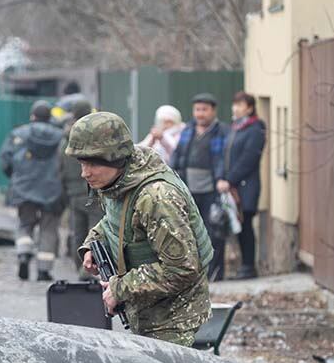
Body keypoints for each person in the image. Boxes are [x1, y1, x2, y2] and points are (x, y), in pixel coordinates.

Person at [68, 111, 212, 345]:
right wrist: (92, 244)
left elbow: (182, 269)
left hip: (174, 321)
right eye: (82, 163)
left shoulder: (156, 198)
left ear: (114, 157)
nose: (85, 173)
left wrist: (120, 289)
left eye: (93, 163)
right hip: (147, 313)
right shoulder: (120, 182)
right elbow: (116, 221)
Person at [0, 100, 64, 281]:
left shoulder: (18, 134)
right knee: (48, 229)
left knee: (25, 224)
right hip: (52, 189)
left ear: (32, 116)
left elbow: (5, 160)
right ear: (49, 117)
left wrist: (15, 177)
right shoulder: (60, 137)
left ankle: (23, 253)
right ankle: (43, 270)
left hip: (24, 187)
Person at [171, 93, 229, 281]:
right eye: (197, 109)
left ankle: (215, 272)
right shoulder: (188, 130)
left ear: (213, 111)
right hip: (189, 189)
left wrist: (222, 178)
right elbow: (177, 156)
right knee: (190, 231)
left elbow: (224, 160)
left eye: (204, 110)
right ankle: (195, 271)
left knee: (214, 231)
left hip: (212, 190)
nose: (200, 114)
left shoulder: (222, 132)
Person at [222, 91, 267, 280]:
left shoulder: (255, 128)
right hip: (232, 186)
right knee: (238, 227)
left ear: (249, 108)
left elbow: (249, 158)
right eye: (235, 104)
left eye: (240, 105)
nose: (235, 108)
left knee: (246, 225)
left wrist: (230, 179)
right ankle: (243, 265)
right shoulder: (236, 128)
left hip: (246, 186)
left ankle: (249, 266)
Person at [58, 99, 100, 274]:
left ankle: (79, 268)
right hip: (95, 191)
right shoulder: (97, 135)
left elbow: (60, 166)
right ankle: (89, 272)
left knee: (77, 232)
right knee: (96, 233)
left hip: (74, 192)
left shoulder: (67, 137)